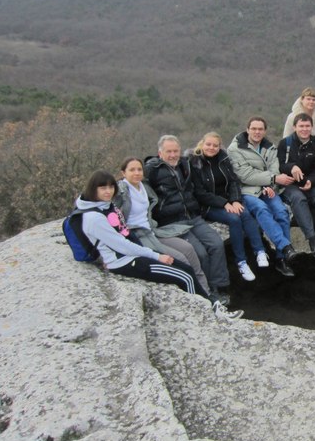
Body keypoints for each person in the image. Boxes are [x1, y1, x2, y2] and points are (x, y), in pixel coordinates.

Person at [75, 170, 242, 320]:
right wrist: (156, 255)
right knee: (184, 277)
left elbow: (122, 234)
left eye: (111, 187)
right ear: (93, 189)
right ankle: (209, 314)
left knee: (187, 268)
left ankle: (212, 304)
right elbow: (121, 245)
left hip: (133, 254)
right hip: (126, 262)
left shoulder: (107, 207)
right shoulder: (94, 217)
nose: (108, 191)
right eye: (103, 188)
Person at [145, 135, 234, 303]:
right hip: (173, 222)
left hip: (193, 216)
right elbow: (136, 185)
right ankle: (207, 291)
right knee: (200, 253)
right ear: (160, 153)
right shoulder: (152, 170)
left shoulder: (185, 164)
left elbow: (206, 165)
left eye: (176, 151)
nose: (173, 155)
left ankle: (220, 287)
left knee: (216, 243)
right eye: (168, 151)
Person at [114, 157, 213, 298]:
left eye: (139, 169)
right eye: (132, 170)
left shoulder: (144, 187)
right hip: (138, 236)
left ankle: (206, 292)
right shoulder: (121, 191)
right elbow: (110, 218)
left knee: (188, 249)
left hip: (152, 231)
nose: (136, 173)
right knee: (181, 259)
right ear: (123, 173)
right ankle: (197, 297)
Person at [189, 132, 268, 282]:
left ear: (220, 147)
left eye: (215, 145)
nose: (211, 148)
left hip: (228, 201)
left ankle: (260, 251)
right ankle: (241, 262)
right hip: (208, 205)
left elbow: (233, 181)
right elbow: (199, 193)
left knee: (245, 213)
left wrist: (235, 200)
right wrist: (224, 203)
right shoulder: (195, 163)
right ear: (202, 144)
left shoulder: (223, 159)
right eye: (208, 144)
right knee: (234, 219)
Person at [227, 117, 298, 278]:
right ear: (247, 130)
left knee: (281, 212)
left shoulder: (270, 147)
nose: (257, 132)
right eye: (254, 129)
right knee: (261, 208)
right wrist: (272, 178)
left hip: (267, 188)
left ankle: (281, 259)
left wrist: (271, 185)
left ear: (265, 131)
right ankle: (286, 247)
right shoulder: (235, 149)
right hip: (247, 190)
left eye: (260, 129)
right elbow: (245, 175)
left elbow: (275, 169)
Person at [277, 113, 315, 259]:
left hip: (310, 183)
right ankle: (312, 239)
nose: (304, 129)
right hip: (290, 184)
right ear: (295, 127)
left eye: (307, 126)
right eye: (301, 126)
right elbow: (279, 165)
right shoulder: (285, 144)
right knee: (299, 199)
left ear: (312, 127)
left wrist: (311, 181)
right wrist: (292, 167)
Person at [283, 87, 315, 164]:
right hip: (299, 150)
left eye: (314, 100)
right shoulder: (292, 117)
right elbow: (286, 137)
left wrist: (313, 143)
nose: (311, 102)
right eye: (308, 99)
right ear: (302, 100)